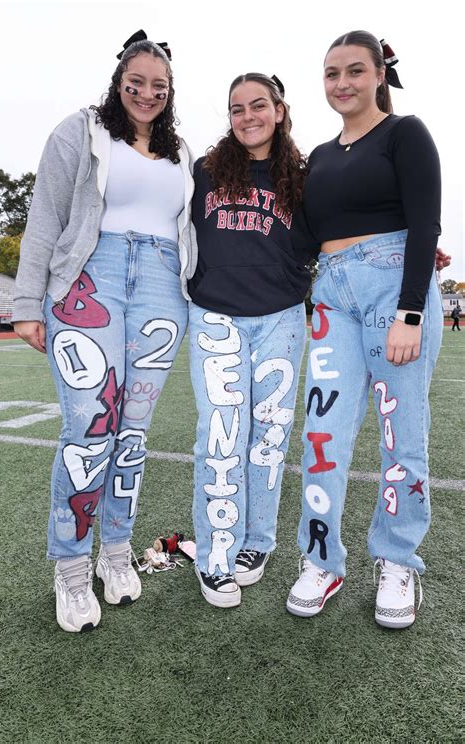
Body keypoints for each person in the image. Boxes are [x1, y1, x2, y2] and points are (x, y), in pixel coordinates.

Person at [11, 30, 196, 632]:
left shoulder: (182, 152)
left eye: (158, 87)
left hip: (164, 288)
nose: (146, 94)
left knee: (133, 435)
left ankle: (116, 552)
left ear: (170, 93)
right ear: (118, 82)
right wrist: (27, 302)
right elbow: (45, 214)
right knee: (89, 430)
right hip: (94, 279)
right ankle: (70, 564)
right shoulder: (82, 130)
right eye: (135, 83)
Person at [286, 31, 443, 629]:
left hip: (391, 289)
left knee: (401, 432)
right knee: (321, 433)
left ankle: (398, 558)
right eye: (331, 74)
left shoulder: (405, 133)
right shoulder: (319, 158)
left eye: (354, 70)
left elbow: (424, 220)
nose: (342, 83)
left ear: (380, 74)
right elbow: (300, 240)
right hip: (331, 294)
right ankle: (321, 560)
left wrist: (411, 311)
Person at [188, 73, 312, 607]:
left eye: (257, 105)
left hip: (282, 316)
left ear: (279, 111)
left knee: (268, 438)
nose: (247, 117)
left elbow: (341, 230)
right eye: (236, 108)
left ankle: (256, 543)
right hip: (217, 316)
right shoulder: (206, 172)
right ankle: (216, 556)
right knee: (221, 436)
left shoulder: (304, 178)